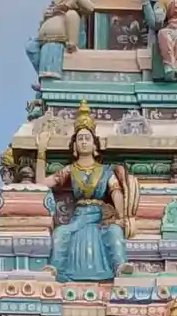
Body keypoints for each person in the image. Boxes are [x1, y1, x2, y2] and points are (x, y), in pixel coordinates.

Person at [39, 104, 128, 281]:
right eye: (80, 139)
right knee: (61, 233)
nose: (84, 142)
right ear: (75, 146)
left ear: (95, 144)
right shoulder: (71, 170)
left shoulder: (105, 171)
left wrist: (121, 215)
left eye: (87, 138)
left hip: (99, 217)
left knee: (115, 231)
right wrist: (41, 151)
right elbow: (41, 184)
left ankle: (120, 266)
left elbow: (116, 191)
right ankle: (54, 268)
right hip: (79, 217)